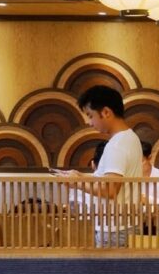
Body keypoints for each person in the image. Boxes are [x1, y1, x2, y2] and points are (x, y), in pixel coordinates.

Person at [54, 86, 142, 247]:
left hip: (115, 230)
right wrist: (82, 176)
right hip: (125, 224)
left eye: (90, 116)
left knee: (109, 273)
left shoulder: (117, 145)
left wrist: (76, 183)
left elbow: (109, 190)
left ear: (106, 112)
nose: (89, 122)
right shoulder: (131, 137)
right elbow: (114, 181)